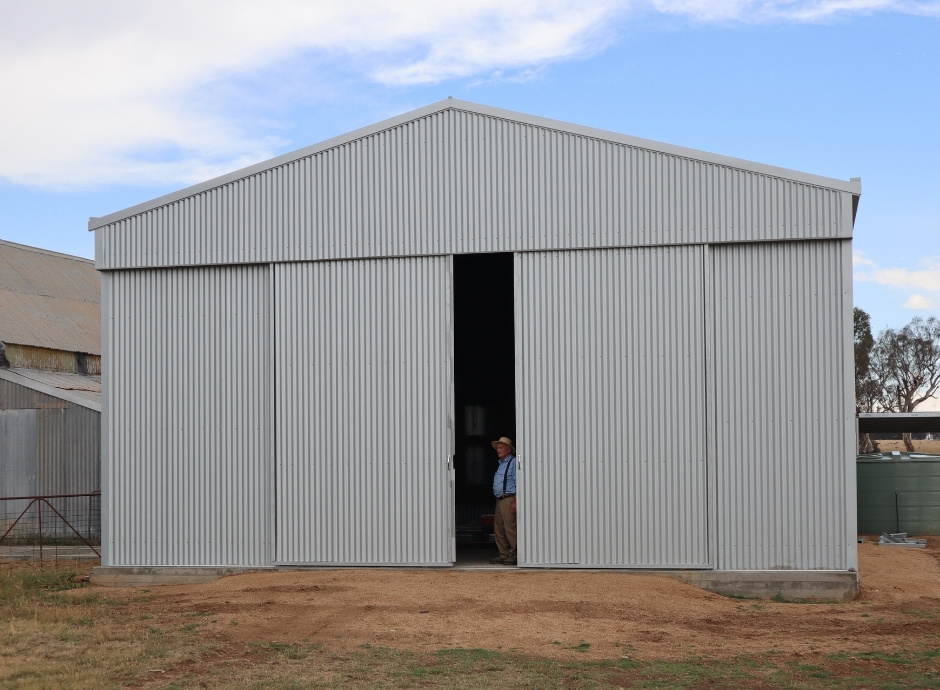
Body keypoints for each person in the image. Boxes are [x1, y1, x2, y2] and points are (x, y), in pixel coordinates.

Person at [490, 436, 517, 565]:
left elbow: (519, 483)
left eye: (501, 448)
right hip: (500, 499)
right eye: (498, 448)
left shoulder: (513, 463)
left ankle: (514, 554)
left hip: (508, 499)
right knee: (499, 529)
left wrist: (515, 501)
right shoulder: (501, 464)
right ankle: (503, 554)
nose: (498, 450)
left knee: (509, 528)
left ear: (508, 450)